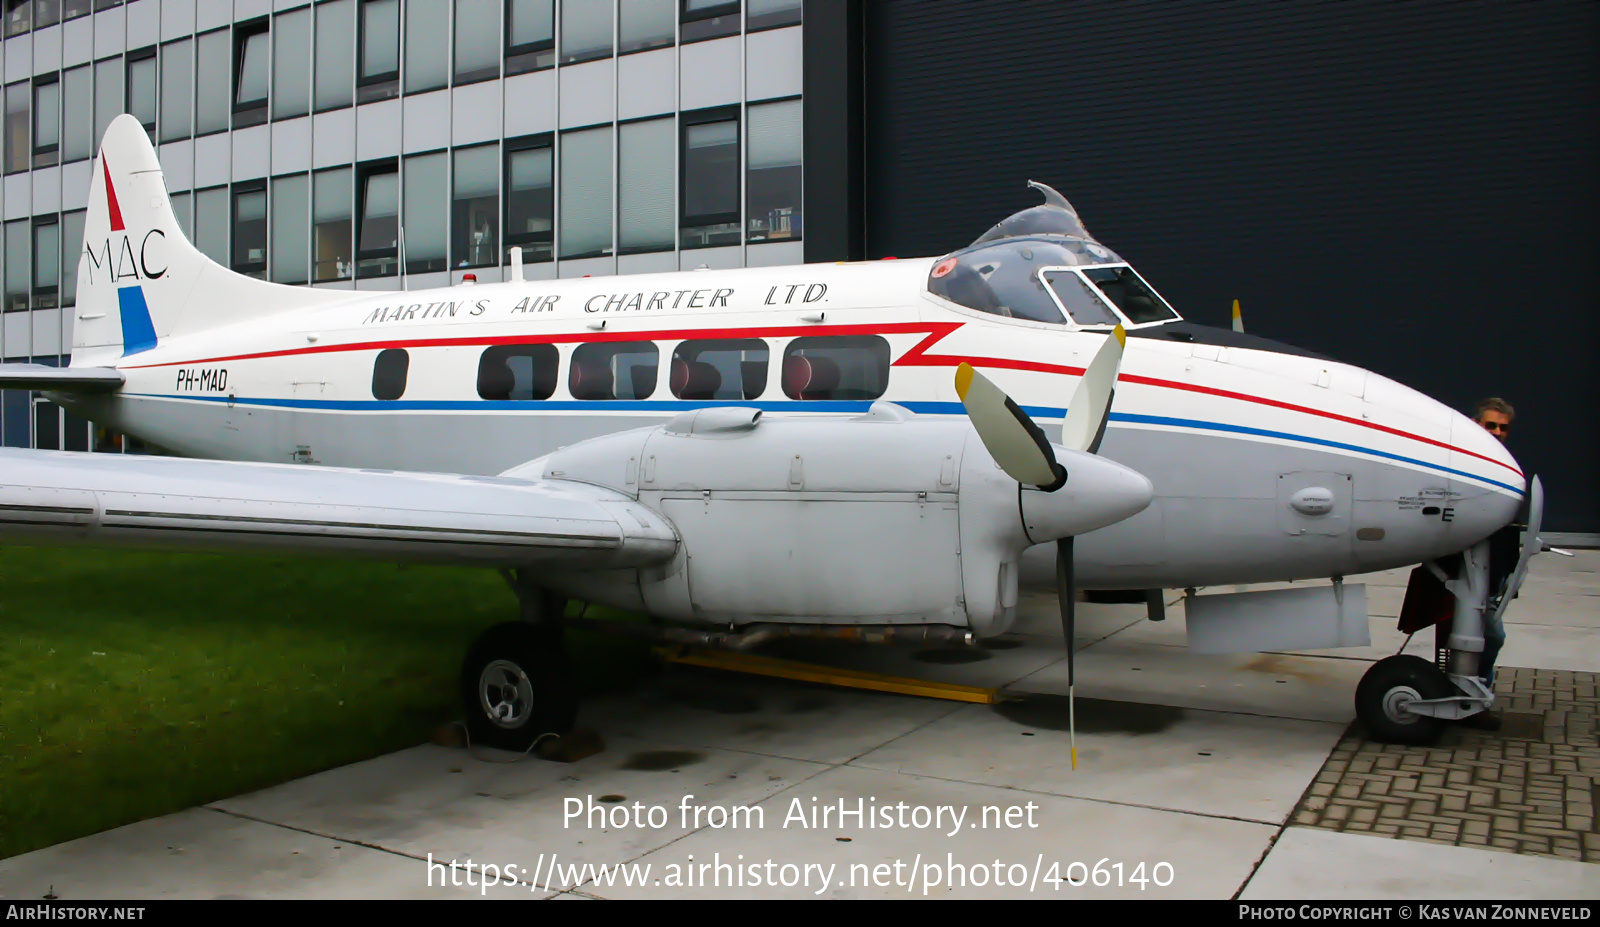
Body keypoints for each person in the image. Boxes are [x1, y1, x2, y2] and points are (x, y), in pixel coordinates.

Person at [1466, 397, 1517, 730]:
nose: (1498, 432)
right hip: (1471, 572)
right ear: (1477, 425)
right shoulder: (1468, 465)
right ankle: (1474, 696)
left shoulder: (1507, 466)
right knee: (1492, 636)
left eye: (1503, 428)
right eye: (1491, 425)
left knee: (1483, 634)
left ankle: (1469, 691)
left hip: (1495, 573)